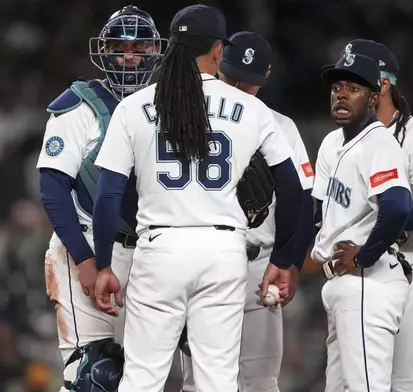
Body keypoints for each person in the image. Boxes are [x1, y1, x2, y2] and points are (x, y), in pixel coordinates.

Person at [90, 5, 303, 391]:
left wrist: (104, 264)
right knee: (217, 380)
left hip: (160, 247)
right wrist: (284, 258)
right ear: (219, 51)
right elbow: (290, 188)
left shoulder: (133, 107)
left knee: (142, 377)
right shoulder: (253, 109)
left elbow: (108, 194)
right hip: (224, 250)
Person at [36, 5, 164, 391]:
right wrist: (86, 260)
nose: (129, 56)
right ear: (102, 50)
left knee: (140, 377)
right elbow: (53, 188)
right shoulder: (81, 104)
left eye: (139, 46)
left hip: (150, 253)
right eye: (118, 46)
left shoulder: (170, 103)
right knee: (95, 374)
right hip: (87, 243)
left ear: (155, 51)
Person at [180, 31, 315, 392]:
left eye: (250, 82)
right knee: (199, 383)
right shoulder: (190, 120)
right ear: (218, 64)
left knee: (261, 383)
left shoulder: (280, 126)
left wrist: (290, 262)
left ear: (267, 77)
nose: (240, 88)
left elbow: (304, 201)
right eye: (233, 78)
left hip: (260, 267)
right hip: (203, 262)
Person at [343, 39, 413, 392]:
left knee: (409, 386)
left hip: (410, 274)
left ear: (383, 85)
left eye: (355, 81)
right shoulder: (342, 139)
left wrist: (378, 221)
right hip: (357, 276)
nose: (344, 90)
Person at [310, 52, 413, 392]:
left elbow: (398, 206)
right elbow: (318, 210)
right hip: (342, 284)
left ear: (373, 98)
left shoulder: (378, 141)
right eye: (337, 87)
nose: (340, 94)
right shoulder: (331, 143)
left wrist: (364, 254)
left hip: (368, 281)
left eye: (353, 88)